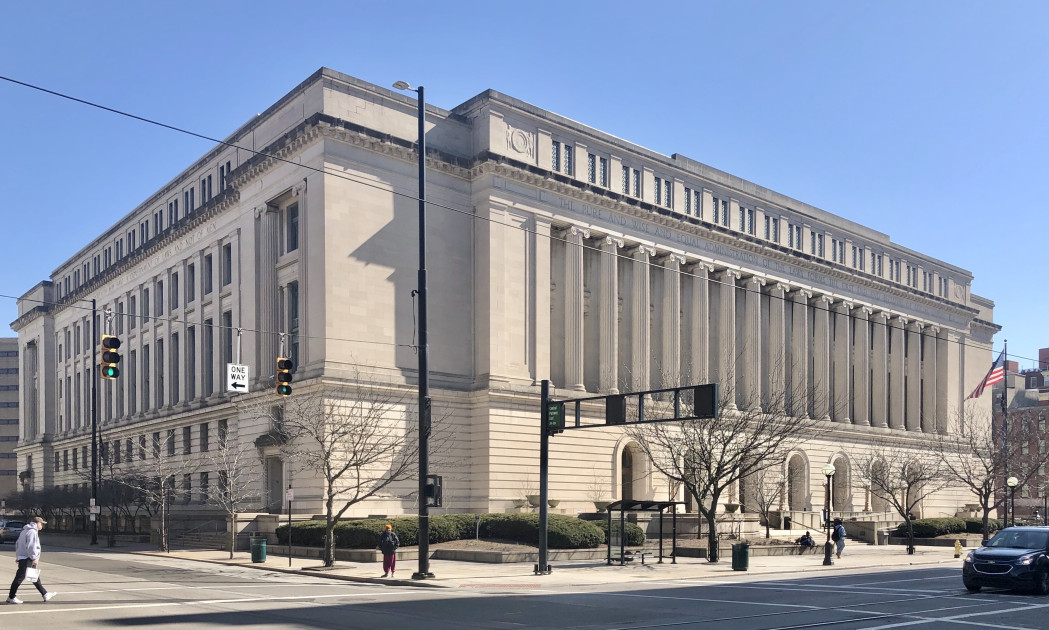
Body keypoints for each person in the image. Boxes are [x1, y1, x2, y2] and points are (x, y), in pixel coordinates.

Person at [7, 517, 56, 604]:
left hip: (23, 557)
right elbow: (31, 546)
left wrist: (18, 556)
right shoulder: (32, 532)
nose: (42, 526)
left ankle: (45, 594)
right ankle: (11, 597)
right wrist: (34, 558)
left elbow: (18, 544)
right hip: (27, 558)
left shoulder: (25, 530)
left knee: (34, 577)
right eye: (41, 524)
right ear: (37, 523)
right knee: (19, 578)